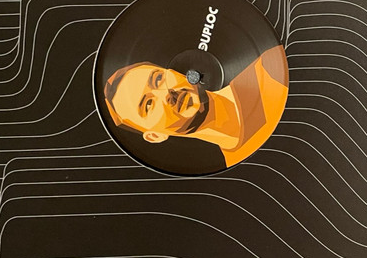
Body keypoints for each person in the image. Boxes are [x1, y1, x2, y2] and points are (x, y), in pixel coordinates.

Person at [103, 45, 288, 168]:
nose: (166, 94)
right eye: (149, 104)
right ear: (155, 136)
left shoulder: (270, 73)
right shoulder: (233, 165)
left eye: (158, 79)